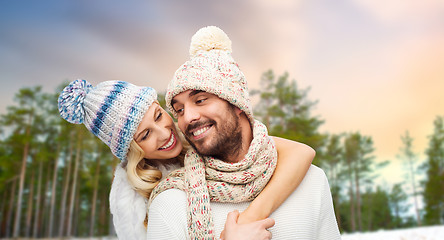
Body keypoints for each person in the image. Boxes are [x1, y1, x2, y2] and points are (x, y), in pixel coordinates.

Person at [146, 26, 341, 239]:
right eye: (179, 110)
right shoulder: (170, 202)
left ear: (237, 103)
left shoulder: (311, 181)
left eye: (200, 100)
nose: (187, 117)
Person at [57, 79, 315, 239]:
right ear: (131, 150)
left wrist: (250, 217)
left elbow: (302, 152)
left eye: (158, 116)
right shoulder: (133, 201)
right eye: (145, 135)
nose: (165, 134)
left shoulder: (198, 133)